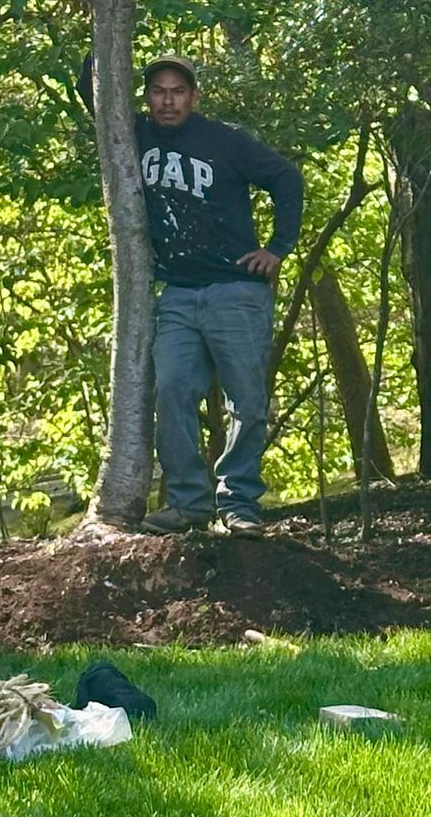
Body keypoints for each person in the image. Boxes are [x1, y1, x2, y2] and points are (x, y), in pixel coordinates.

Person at [83, 51, 304, 534]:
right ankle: (189, 503)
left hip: (235, 290)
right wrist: (95, 31)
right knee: (173, 391)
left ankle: (239, 503)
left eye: (177, 91)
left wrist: (278, 248)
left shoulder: (221, 141)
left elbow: (287, 178)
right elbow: (93, 96)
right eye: (159, 91)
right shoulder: (133, 134)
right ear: (146, 98)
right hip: (178, 295)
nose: (168, 100)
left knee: (246, 402)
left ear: (193, 96)